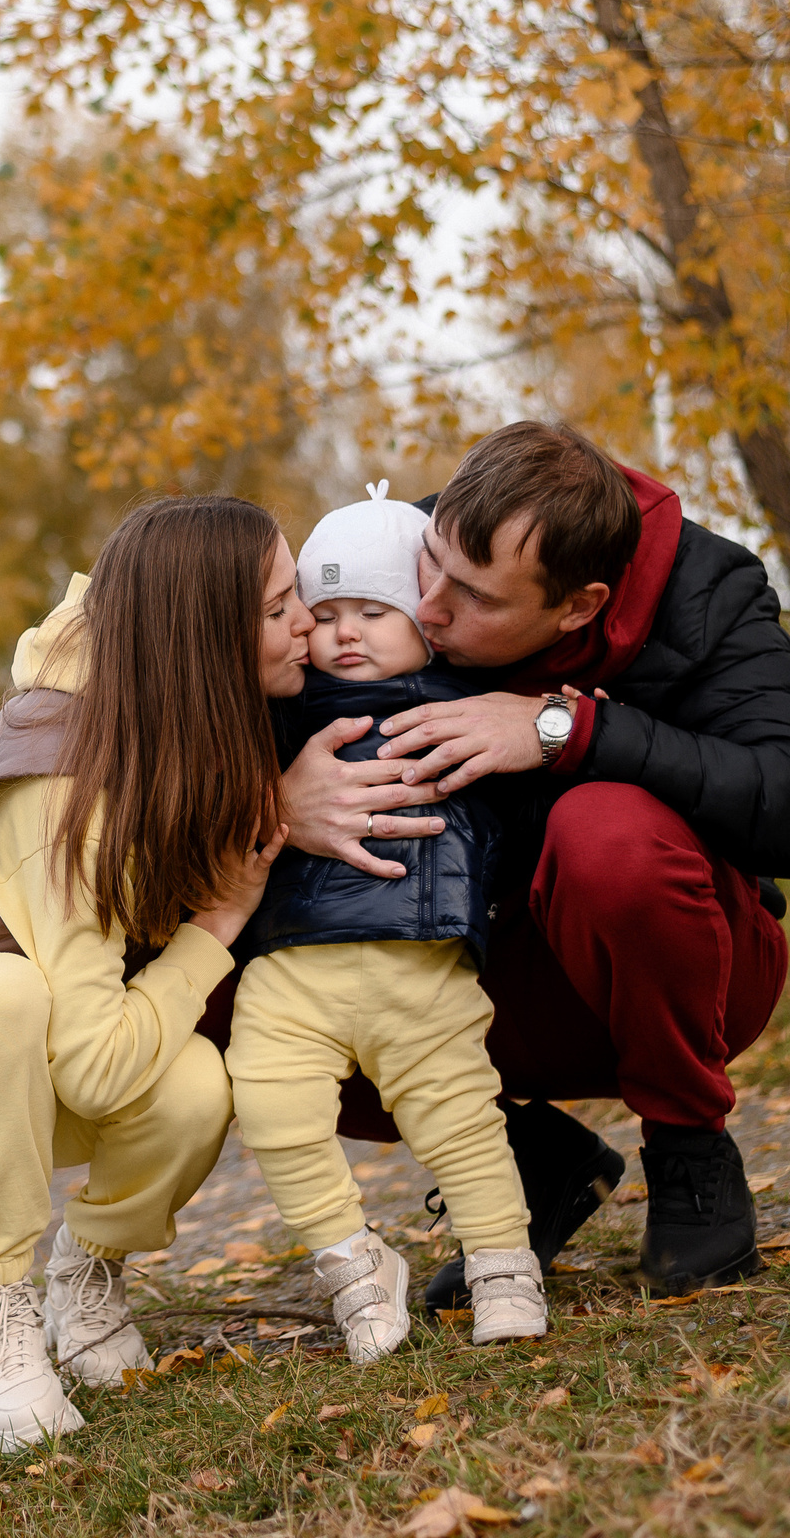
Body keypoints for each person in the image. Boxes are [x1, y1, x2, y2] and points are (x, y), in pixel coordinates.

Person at [268, 423, 790, 1302]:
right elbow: (226, 693)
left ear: (578, 606)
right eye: (434, 563)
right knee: (228, 924)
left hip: (674, 965)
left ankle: (691, 1151)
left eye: (475, 598)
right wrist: (277, 804)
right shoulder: (394, 548)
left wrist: (567, 730)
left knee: (605, 830)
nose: (427, 610)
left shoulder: (704, 592)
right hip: (464, 967)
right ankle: (518, 1166)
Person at [0, 496, 301, 1455]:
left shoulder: (157, 721)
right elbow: (92, 1069)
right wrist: (222, 923)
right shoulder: (56, 787)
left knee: (196, 1085)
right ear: (208, 640)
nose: (310, 625)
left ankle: (85, 1277)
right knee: (4, 992)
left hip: (29, 1048)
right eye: (284, 608)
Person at [226, 483, 545, 1362]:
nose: (344, 632)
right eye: (324, 612)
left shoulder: (469, 700)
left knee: (459, 1116)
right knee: (271, 1103)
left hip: (418, 960)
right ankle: (351, 1260)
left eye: (374, 609)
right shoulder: (279, 710)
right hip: (292, 964)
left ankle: (503, 1265)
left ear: (429, 618)